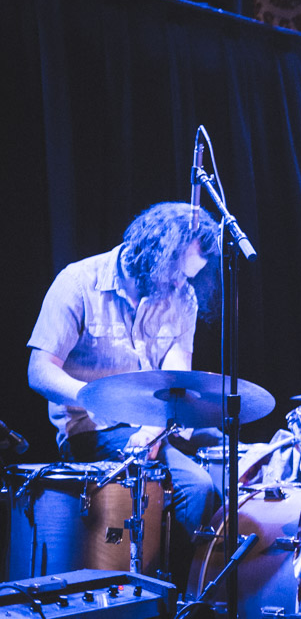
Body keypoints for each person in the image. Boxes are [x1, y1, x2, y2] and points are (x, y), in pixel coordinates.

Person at [27, 202, 222, 546]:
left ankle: (190, 587)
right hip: (92, 431)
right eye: (177, 271)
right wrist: (97, 399)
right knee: (193, 486)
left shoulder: (182, 296)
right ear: (155, 251)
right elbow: (39, 371)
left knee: (228, 467)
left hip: (153, 427)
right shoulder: (78, 282)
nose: (181, 282)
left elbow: (176, 378)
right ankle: (161, 591)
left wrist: (151, 430)